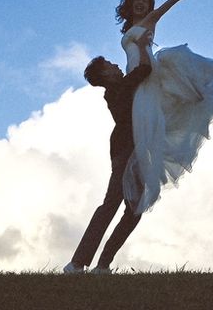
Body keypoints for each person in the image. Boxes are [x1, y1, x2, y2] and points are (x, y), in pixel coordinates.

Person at [116, 0, 213, 217]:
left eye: (145, 1)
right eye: (137, 1)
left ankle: (141, 188)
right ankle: (137, 184)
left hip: (146, 77)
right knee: (142, 126)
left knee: (147, 127)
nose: (141, 4)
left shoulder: (150, 21)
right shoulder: (130, 29)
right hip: (135, 79)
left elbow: (171, 2)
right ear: (130, 5)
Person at [65, 28, 154, 273]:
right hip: (126, 153)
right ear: (105, 74)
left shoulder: (117, 90)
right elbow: (144, 70)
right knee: (114, 205)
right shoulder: (119, 89)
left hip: (131, 151)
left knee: (132, 209)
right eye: (110, 65)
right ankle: (79, 263)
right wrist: (143, 46)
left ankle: (100, 264)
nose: (116, 65)